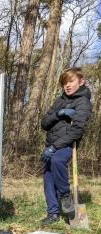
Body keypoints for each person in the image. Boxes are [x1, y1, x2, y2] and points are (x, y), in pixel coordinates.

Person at [40, 67, 92, 225]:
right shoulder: (60, 99)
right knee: (48, 175)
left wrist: (54, 147)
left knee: (57, 161)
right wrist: (59, 113)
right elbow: (44, 123)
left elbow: (77, 130)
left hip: (67, 144)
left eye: (71, 81)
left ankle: (65, 194)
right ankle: (52, 213)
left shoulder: (83, 102)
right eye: (64, 83)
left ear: (81, 82)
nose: (67, 85)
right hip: (51, 144)